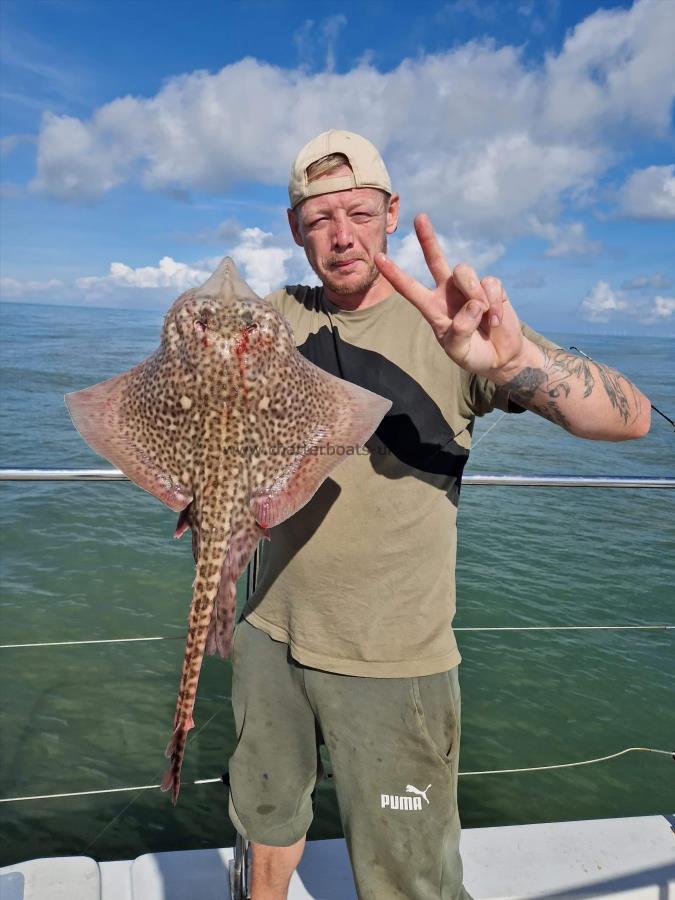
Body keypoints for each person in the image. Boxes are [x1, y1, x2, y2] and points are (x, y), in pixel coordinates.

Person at [226, 130, 650, 900]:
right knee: (264, 823)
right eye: (318, 218)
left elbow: (627, 419)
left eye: (358, 211)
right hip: (264, 629)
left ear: (390, 214)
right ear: (294, 229)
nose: (340, 234)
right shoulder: (274, 316)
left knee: (408, 874)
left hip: (392, 660)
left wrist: (512, 365)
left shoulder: (451, 325)